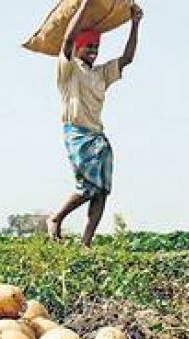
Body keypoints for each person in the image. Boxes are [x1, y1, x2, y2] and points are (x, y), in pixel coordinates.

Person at [47, 1, 143, 247]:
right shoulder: (69, 70)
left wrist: (135, 24)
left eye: (96, 47)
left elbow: (127, 59)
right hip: (77, 133)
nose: (93, 51)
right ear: (78, 49)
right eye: (88, 46)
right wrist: (85, 6)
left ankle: (86, 243)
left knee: (101, 191)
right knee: (87, 186)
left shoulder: (100, 73)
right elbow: (67, 40)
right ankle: (56, 219)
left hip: (97, 136)